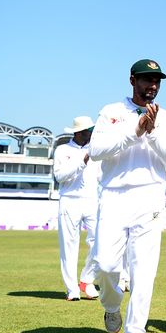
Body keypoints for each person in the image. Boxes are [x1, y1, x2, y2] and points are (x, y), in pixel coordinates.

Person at [89, 59, 166, 333]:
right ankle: (112, 305)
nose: (152, 85)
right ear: (132, 80)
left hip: (149, 197)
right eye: (146, 79)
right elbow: (96, 150)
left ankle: (136, 331)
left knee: (144, 270)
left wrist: (152, 132)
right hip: (114, 196)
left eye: (156, 81)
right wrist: (135, 131)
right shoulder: (111, 112)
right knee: (105, 265)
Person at [53, 116, 102, 301]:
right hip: (69, 201)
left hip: (91, 200)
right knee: (68, 246)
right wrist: (82, 161)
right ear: (79, 133)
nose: (91, 134)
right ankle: (71, 289)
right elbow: (60, 176)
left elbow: (101, 177)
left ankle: (86, 279)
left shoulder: (95, 151)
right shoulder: (62, 150)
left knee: (98, 242)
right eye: (89, 131)